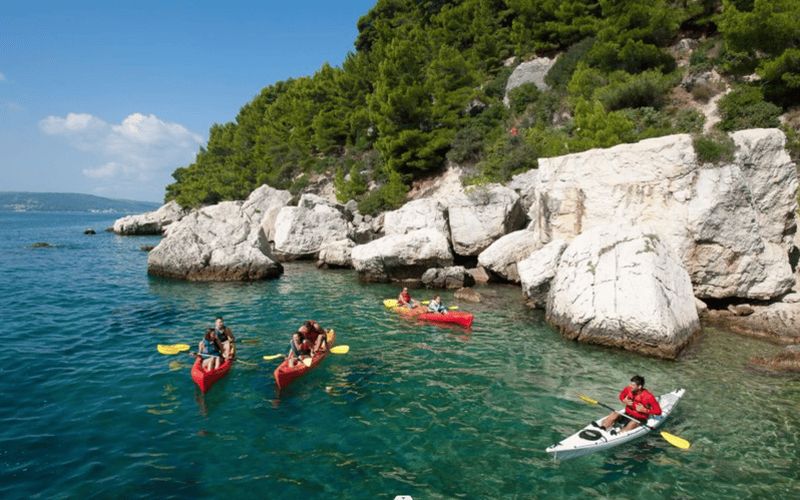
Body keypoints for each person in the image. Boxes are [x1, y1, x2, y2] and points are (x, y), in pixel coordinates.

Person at [596, 375, 662, 434]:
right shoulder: (628, 389)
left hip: (640, 418)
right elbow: (621, 395)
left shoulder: (649, 397)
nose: (630, 386)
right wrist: (624, 400)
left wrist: (645, 410)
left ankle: (618, 434)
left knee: (632, 423)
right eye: (631, 384)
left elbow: (658, 412)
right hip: (627, 414)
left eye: (633, 385)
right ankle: (603, 428)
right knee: (614, 414)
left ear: (639, 387)